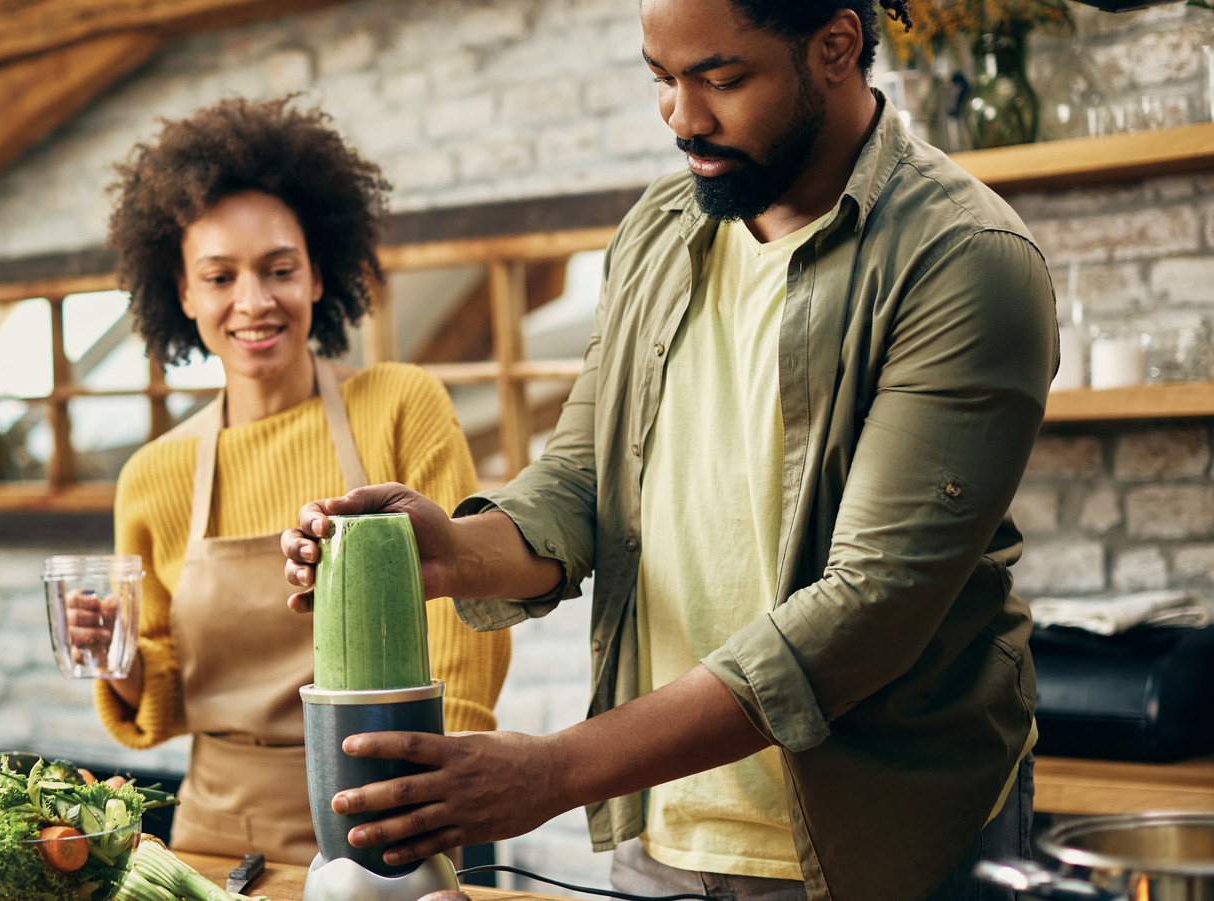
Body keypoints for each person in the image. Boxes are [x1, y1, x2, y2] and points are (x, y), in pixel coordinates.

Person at [281, 1, 1058, 899]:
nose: (682, 118)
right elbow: (584, 481)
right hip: (668, 834)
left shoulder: (964, 257)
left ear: (836, 48)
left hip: (883, 840)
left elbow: (868, 610)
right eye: (662, 79)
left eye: (721, 80)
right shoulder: (659, 227)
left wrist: (553, 772)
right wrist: (453, 553)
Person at [76, 96, 511, 866]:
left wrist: (442, 785)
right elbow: (169, 687)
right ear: (182, 294)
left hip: (389, 812)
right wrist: (122, 655)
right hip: (213, 838)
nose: (254, 301)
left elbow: (467, 614)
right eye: (219, 277)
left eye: (279, 269)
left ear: (318, 275)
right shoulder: (154, 474)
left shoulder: (401, 407)